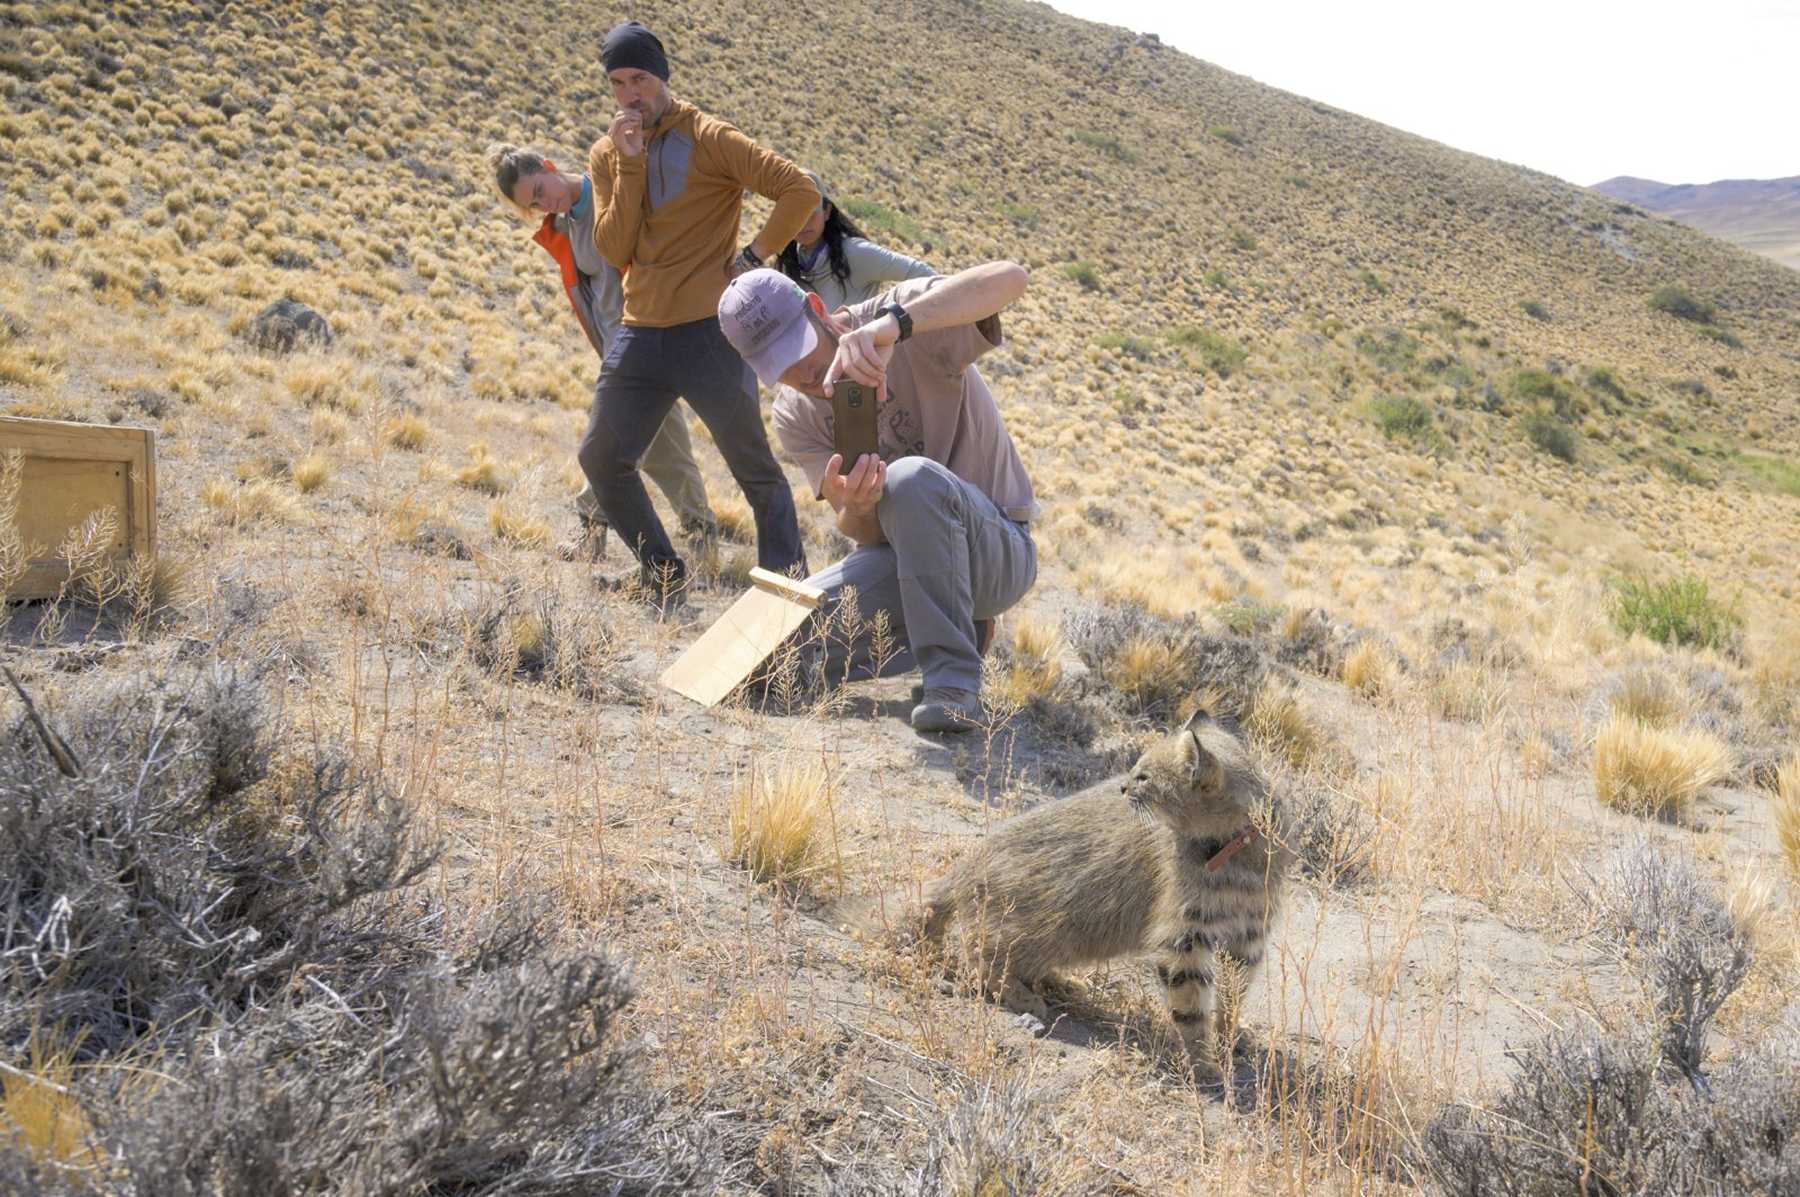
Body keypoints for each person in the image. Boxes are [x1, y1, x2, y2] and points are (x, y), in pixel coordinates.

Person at [717, 262, 1038, 733]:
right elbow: (858, 531)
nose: (801, 373)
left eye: (799, 348)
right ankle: (957, 630)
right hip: (905, 565)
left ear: (819, 309)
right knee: (760, 652)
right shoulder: (793, 416)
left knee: (908, 480)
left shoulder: (901, 321)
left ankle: (952, 683)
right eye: (778, 367)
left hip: (996, 554)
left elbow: (1012, 279)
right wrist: (859, 507)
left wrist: (897, 325)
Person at [581, 21, 819, 601]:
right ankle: (663, 575)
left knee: (756, 472)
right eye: (618, 83)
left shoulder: (711, 137)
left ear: (662, 76)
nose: (631, 93)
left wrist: (754, 256)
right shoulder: (608, 154)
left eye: (640, 78)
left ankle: (786, 603)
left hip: (709, 335)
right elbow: (613, 250)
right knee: (601, 457)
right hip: (640, 333)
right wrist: (630, 161)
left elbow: (800, 191)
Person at [484, 145, 717, 561]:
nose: (543, 204)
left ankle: (592, 528)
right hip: (618, 346)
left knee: (611, 444)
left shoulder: (612, 194)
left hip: (650, 336)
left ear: (550, 167)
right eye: (533, 203)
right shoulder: (564, 225)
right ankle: (702, 535)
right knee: (666, 444)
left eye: (540, 189)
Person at [776, 171, 934, 315]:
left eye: (811, 214)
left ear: (827, 211)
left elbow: (923, 274)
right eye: (794, 216)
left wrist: (897, 324)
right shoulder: (790, 266)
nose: (803, 224)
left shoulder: (855, 253)